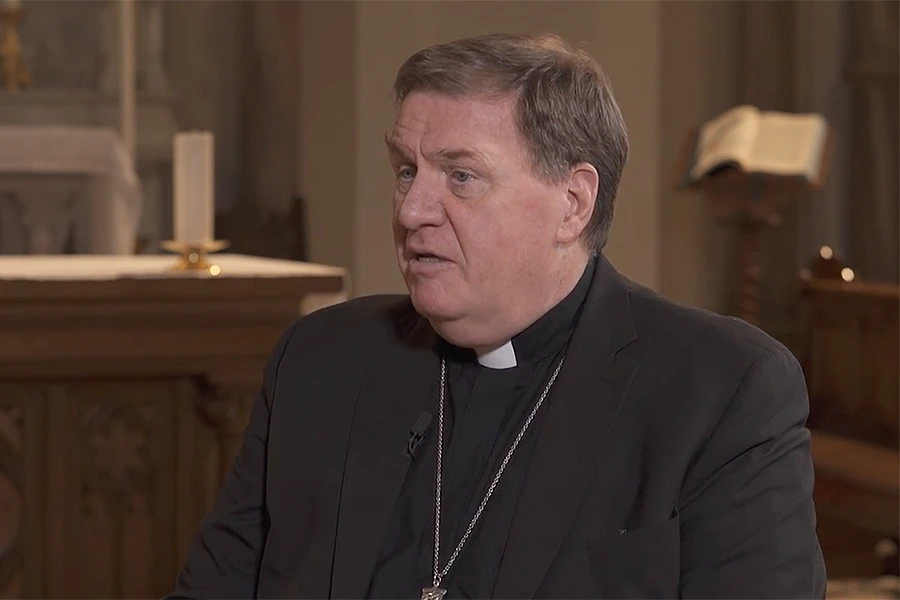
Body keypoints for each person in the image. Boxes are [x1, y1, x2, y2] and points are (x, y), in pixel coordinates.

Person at [167, 33, 826, 599]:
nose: (411, 210)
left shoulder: (721, 391)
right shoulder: (320, 360)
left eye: (461, 176)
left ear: (573, 203)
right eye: (406, 170)